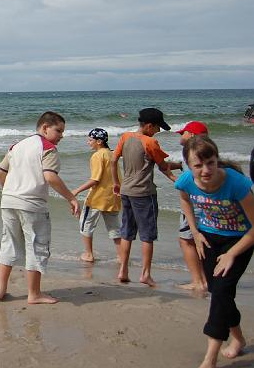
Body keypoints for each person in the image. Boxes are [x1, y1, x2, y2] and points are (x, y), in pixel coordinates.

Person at [175, 136, 253, 368]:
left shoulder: (237, 184)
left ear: (217, 159)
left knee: (220, 292)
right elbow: (185, 199)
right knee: (219, 291)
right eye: (198, 165)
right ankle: (238, 338)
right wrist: (195, 233)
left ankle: (210, 358)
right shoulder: (186, 181)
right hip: (209, 237)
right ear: (189, 166)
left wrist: (231, 253)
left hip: (240, 240)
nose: (206, 170)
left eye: (210, 162)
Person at [0, 111, 80, 304]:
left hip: (8, 201)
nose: (61, 135)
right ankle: (34, 294)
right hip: (32, 204)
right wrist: (71, 198)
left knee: (8, 244)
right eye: (58, 130)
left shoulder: (17, 146)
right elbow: (50, 176)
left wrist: (10, 190)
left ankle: (0, 289)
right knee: (36, 246)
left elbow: (0, 172)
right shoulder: (48, 148)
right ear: (45, 128)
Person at [111, 108, 180, 286]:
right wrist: (178, 180)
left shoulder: (125, 137)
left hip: (126, 191)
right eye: (158, 128)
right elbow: (163, 167)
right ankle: (145, 274)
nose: (158, 131)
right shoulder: (150, 142)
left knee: (127, 232)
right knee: (147, 235)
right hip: (144, 193)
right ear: (149, 126)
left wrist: (116, 182)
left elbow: (113, 160)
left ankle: (123, 270)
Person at [71, 128, 121, 263]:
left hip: (97, 198)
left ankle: (88, 254)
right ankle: (121, 256)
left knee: (86, 224)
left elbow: (95, 180)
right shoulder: (111, 154)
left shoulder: (97, 156)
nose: (88, 142)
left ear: (99, 141)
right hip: (113, 197)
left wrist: (76, 190)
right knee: (114, 228)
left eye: (90, 140)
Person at [175, 121, 210, 292]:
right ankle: (205, 279)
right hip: (207, 203)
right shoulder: (208, 152)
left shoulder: (194, 153)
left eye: (183, 133)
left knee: (186, 241)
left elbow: (191, 179)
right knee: (201, 240)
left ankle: (199, 281)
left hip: (195, 203)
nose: (181, 136)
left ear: (192, 135)